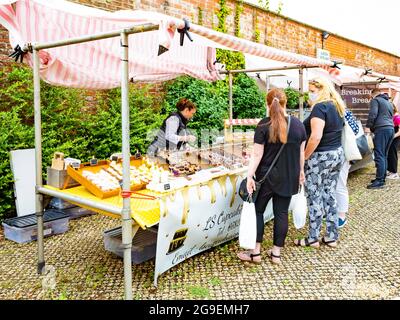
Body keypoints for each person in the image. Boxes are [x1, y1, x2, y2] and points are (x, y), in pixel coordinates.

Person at [237, 88, 307, 265]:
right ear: (285, 103)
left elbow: (257, 155)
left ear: (268, 104)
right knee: (281, 213)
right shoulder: (299, 125)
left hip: (265, 177)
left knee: (258, 212)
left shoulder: (263, 125)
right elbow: (301, 154)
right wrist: (301, 172)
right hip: (289, 177)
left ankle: (256, 253)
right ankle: (276, 254)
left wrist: (250, 176)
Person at [295, 78, 345, 249]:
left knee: (314, 195)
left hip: (320, 157)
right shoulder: (337, 106)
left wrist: (305, 156)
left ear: (321, 89)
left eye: (311, 90)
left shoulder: (320, 107)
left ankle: (313, 237)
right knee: (329, 194)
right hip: (336, 154)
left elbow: (316, 136)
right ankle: (331, 236)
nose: (309, 93)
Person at [365, 88, 394, 189]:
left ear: (373, 94)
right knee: (384, 155)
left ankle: (379, 181)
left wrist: (368, 126)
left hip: (381, 129)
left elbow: (373, 114)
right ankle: (382, 177)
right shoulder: (388, 102)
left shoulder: (375, 100)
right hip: (390, 129)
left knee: (379, 155)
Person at [336, 110, 360, 229]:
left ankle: (341, 216)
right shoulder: (346, 112)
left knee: (340, 184)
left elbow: (353, 130)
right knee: (337, 184)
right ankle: (336, 213)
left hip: (343, 151)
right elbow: (356, 129)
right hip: (340, 151)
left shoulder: (342, 112)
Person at [387, 104, 400, 179]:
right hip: (392, 138)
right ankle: (390, 171)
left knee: (393, 154)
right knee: (390, 153)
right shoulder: (392, 117)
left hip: (396, 138)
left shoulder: (397, 118)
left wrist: (392, 137)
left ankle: (394, 173)